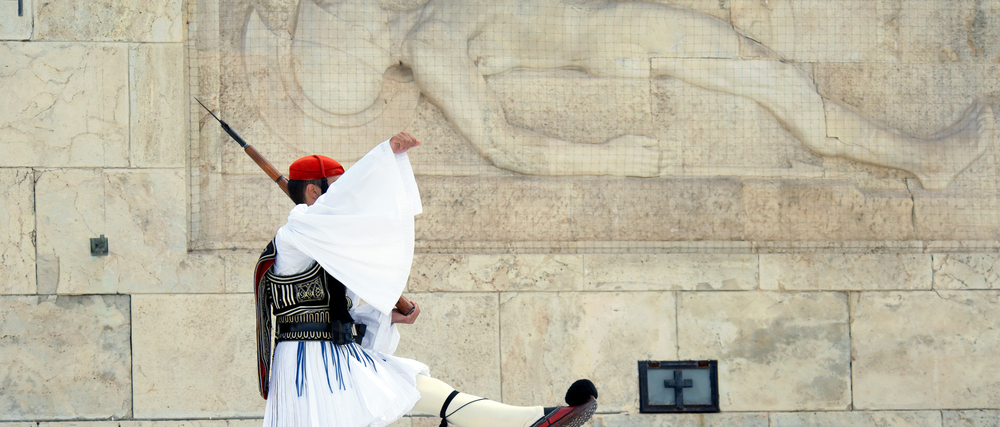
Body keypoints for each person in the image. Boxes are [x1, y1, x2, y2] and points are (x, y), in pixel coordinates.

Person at [255, 131, 599, 427]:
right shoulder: (298, 233)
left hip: (342, 358)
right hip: (312, 373)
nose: (344, 196)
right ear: (312, 193)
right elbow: (339, 225)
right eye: (335, 187)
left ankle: (539, 418)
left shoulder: (325, 241)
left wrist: (386, 315)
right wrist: (384, 157)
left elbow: (346, 306)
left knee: (431, 391)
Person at [249, 0, 993, 190]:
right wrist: (610, 160)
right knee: (781, 87)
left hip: (617, 23)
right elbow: (506, 144)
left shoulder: (433, 18)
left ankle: (923, 157)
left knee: (775, 78)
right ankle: (927, 161)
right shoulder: (434, 48)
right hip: (621, 35)